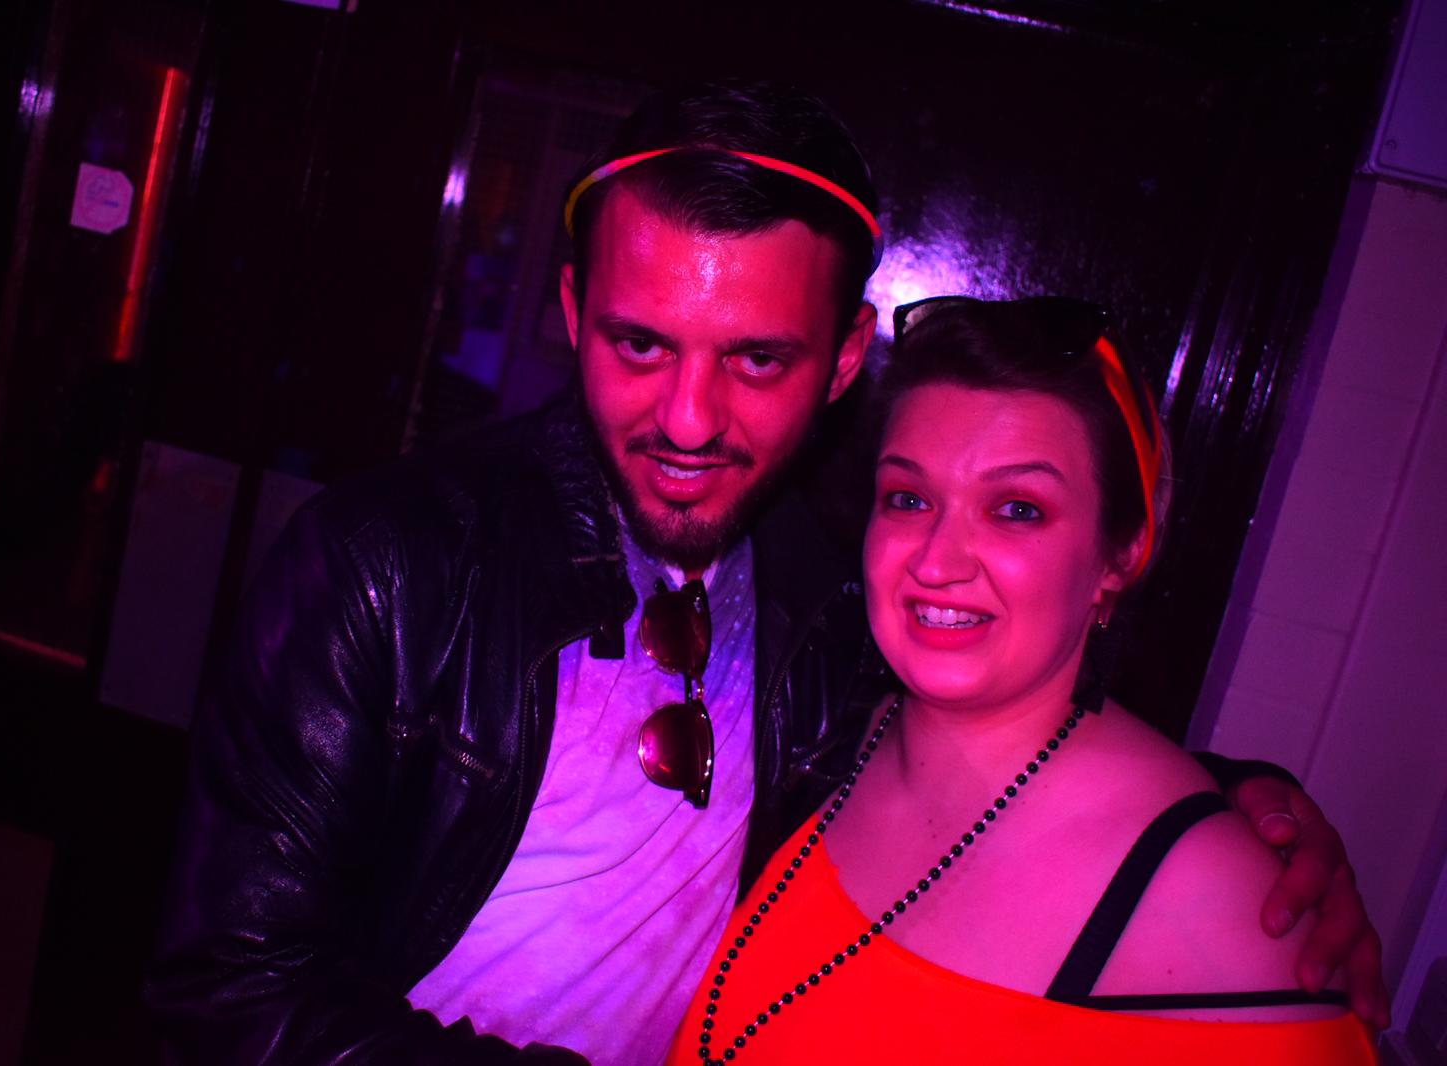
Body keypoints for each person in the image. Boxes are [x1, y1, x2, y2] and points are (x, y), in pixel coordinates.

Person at [146, 82, 1383, 1065]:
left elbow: (989, 737)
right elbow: (228, 990)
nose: (689, 420)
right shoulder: (391, 566)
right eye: (641, 344)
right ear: (571, 313)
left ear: (843, 358)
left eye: (755, 361)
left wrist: (1235, 804)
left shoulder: (831, 597)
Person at [669, 297, 1376, 1064]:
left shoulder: (1225, 908)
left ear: (1122, 552)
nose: (937, 562)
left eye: (1016, 509)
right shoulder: (815, 732)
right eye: (909, 499)